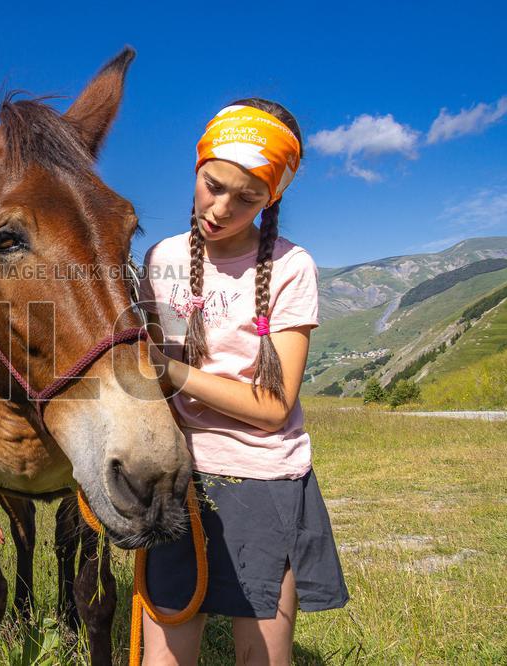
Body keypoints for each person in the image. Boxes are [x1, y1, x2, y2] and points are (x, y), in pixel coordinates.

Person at [138, 99, 349, 664]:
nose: (221, 208)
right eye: (213, 185)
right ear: (197, 168)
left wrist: (171, 371)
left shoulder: (289, 266)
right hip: (175, 477)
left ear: (272, 198)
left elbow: (275, 407)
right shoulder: (161, 257)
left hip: (260, 481)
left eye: (247, 197)